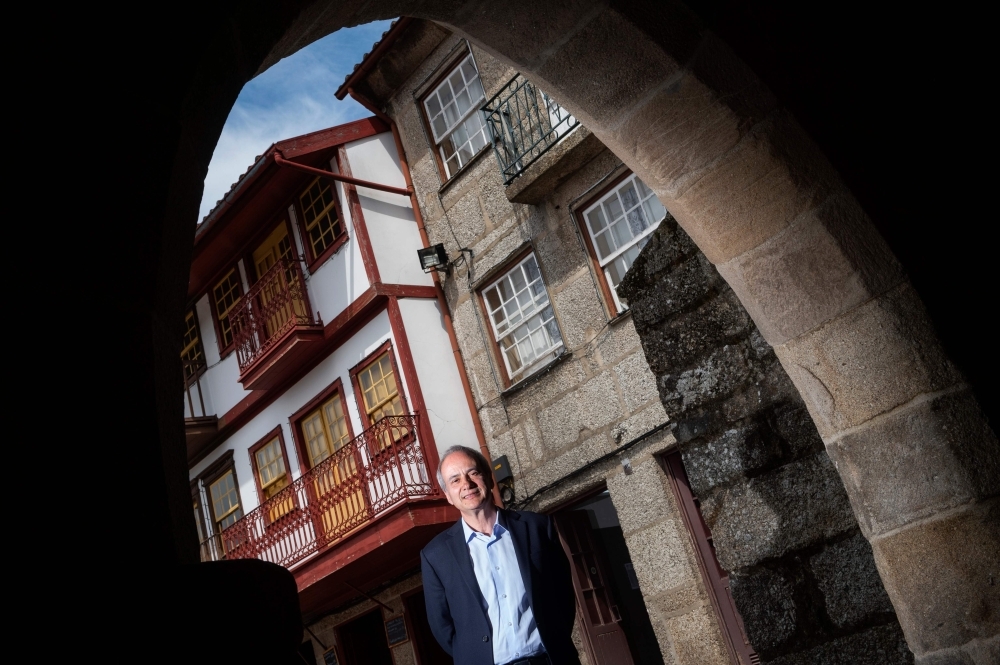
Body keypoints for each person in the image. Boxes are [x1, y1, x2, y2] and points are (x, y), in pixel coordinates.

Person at [421, 445, 580, 665]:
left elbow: (563, 594)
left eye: (473, 473)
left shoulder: (536, 528)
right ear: (448, 495)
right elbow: (442, 627)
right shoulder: (435, 557)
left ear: (488, 477)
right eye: (455, 480)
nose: (466, 484)